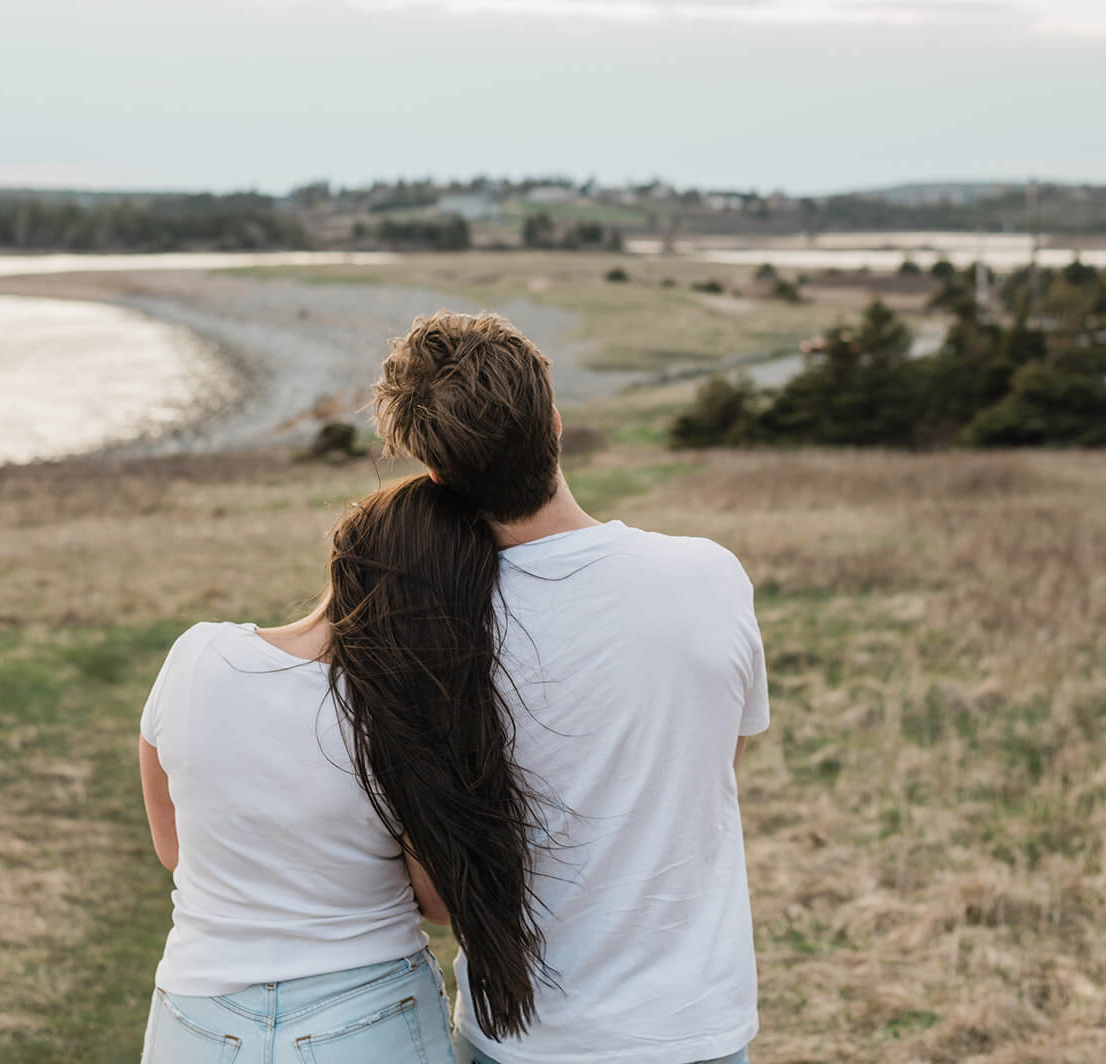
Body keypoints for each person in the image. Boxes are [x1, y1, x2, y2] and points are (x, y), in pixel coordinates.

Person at [373, 311, 770, 1064]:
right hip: (692, 1031)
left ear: (438, 476)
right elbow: (717, 765)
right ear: (554, 421)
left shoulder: (431, 635)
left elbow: (433, 892)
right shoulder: (710, 577)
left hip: (518, 1041)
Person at [136, 475, 550, 1063]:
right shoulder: (409, 717)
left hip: (197, 1017)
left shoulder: (195, 655)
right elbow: (437, 905)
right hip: (367, 1016)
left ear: (341, 554)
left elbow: (174, 848)